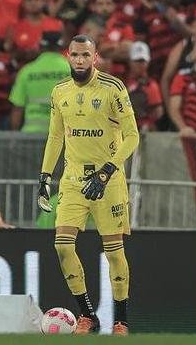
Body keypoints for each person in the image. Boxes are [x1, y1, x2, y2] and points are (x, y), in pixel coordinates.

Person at [38, 35, 139, 335]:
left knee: (114, 253)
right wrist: (45, 176)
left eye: (86, 55)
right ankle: (88, 316)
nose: (80, 60)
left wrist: (107, 172)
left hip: (108, 181)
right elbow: (56, 137)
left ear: (95, 58)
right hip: (72, 180)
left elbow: (132, 136)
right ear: (67, 56)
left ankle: (121, 321)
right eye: (75, 55)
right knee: (62, 246)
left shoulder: (113, 88)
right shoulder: (60, 92)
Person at [8, 31, 72, 132]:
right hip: (63, 135)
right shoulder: (72, 71)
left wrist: (15, 139)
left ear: (40, 46)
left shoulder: (27, 71)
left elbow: (17, 109)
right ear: (61, 47)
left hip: (32, 134)